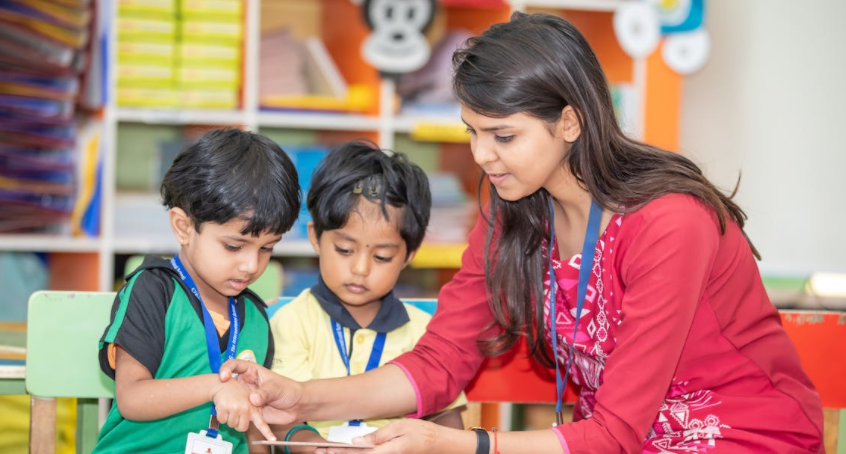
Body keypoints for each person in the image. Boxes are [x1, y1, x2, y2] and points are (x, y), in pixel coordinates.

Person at [220, 12, 825, 454]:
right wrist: (303, 397)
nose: (482, 155)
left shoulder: (670, 221)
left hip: (744, 441)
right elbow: (440, 362)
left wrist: (466, 447)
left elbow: (616, 430)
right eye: (472, 132)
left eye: (503, 136)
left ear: (570, 121)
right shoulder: (510, 213)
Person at [93, 128, 300, 454]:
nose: (251, 265)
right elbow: (131, 397)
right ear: (183, 227)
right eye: (234, 246)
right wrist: (215, 388)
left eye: (267, 248)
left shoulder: (257, 319)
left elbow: (254, 426)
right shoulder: (153, 290)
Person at [268, 141, 466, 447]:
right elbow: (283, 420)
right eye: (345, 250)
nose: (360, 268)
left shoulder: (426, 333)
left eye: (382, 257)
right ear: (316, 238)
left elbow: (446, 420)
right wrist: (318, 449)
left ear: (409, 254)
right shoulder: (292, 322)